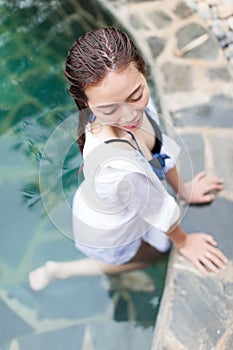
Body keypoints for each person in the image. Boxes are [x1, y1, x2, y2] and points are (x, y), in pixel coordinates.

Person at [29, 27, 227, 291]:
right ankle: (62, 270)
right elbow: (160, 211)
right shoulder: (116, 168)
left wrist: (184, 190)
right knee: (154, 254)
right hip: (109, 229)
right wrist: (184, 242)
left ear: (143, 72)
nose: (130, 116)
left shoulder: (128, 96)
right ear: (86, 104)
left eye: (137, 96)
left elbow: (159, 150)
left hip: (127, 202)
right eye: (109, 110)